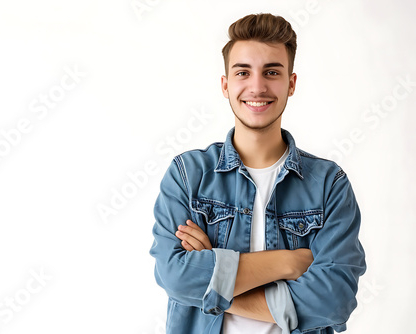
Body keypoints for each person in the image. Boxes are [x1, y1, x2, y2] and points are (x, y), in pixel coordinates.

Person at [149, 13, 366, 334]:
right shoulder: (188, 175)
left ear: (291, 83)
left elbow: (334, 300)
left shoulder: (328, 184)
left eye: (272, 72)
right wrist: (288, 263)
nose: (257, 86)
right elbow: (175, 277)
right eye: (243, 72)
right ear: (225, 85)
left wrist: (212, 280)